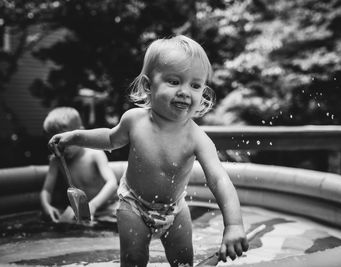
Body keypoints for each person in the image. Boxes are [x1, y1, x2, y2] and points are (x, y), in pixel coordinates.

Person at [48, 35, 248, 267]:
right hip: (133, 204)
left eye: (195, 85)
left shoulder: (197, 138)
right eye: (174, 82)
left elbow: (219, 178)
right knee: (134, 260)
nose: (185, 91)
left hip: (174, 209)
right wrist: (76, 137)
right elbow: (110, 138)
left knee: (183, 262)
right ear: (147, 85)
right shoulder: (135, 121)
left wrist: (233, 225)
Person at [41, 107, 118, 223]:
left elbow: (112, 183)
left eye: (66, 142)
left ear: (79, 135)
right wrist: (47, 206)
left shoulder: (94, 154)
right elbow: (46, 190)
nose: (62, 149)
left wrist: (93, 206)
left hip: (107, 207)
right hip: (81, 212)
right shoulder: (57, 161)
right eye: (57, 144)